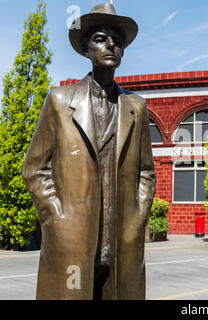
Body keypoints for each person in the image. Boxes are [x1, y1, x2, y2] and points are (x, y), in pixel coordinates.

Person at [22, 3, 156, 300]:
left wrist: (138, 216)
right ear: (85, 48)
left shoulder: (136, 107)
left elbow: (146, 172)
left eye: (117, 41)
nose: (111, 45)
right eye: (100, 38)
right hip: (73, 238)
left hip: (122, 240)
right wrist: (56, 218)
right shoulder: (59, 102)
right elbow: (35, 169)